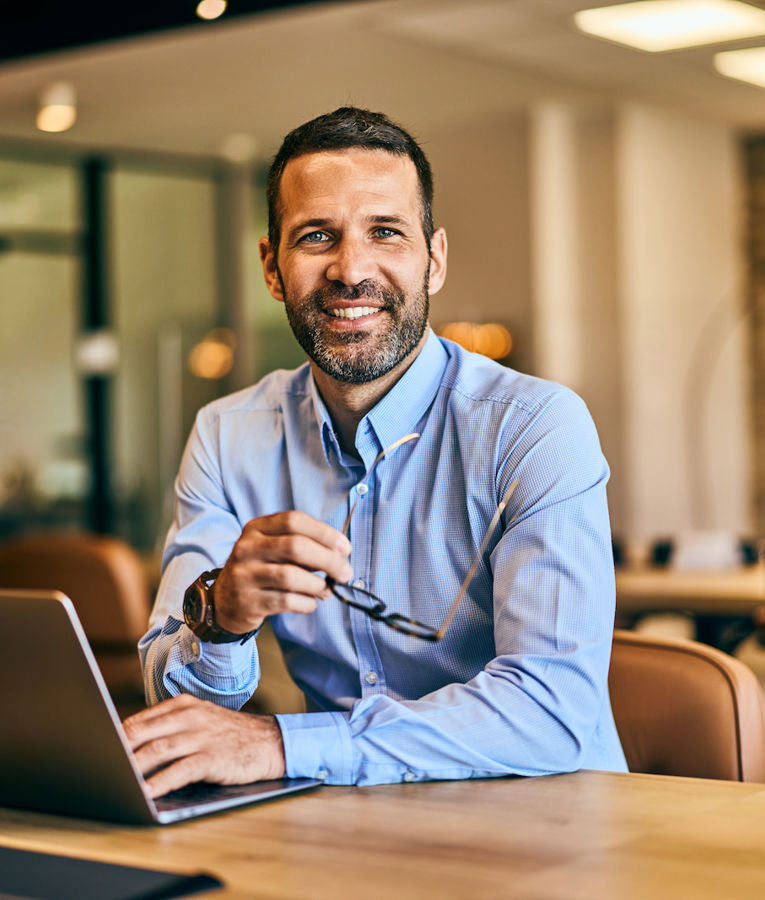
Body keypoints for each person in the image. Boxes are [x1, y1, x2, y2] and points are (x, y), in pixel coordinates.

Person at [125, 107, 627, 796]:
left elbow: (549, 711)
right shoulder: (226, 433)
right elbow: (175, 701)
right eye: (315, 237)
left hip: (551, 820)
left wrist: (282, 743)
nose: (350, 268)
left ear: (435, 258)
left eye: (385, 232)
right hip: (348, 824)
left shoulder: (535, 425)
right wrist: (220, 619)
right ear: (272, 267)